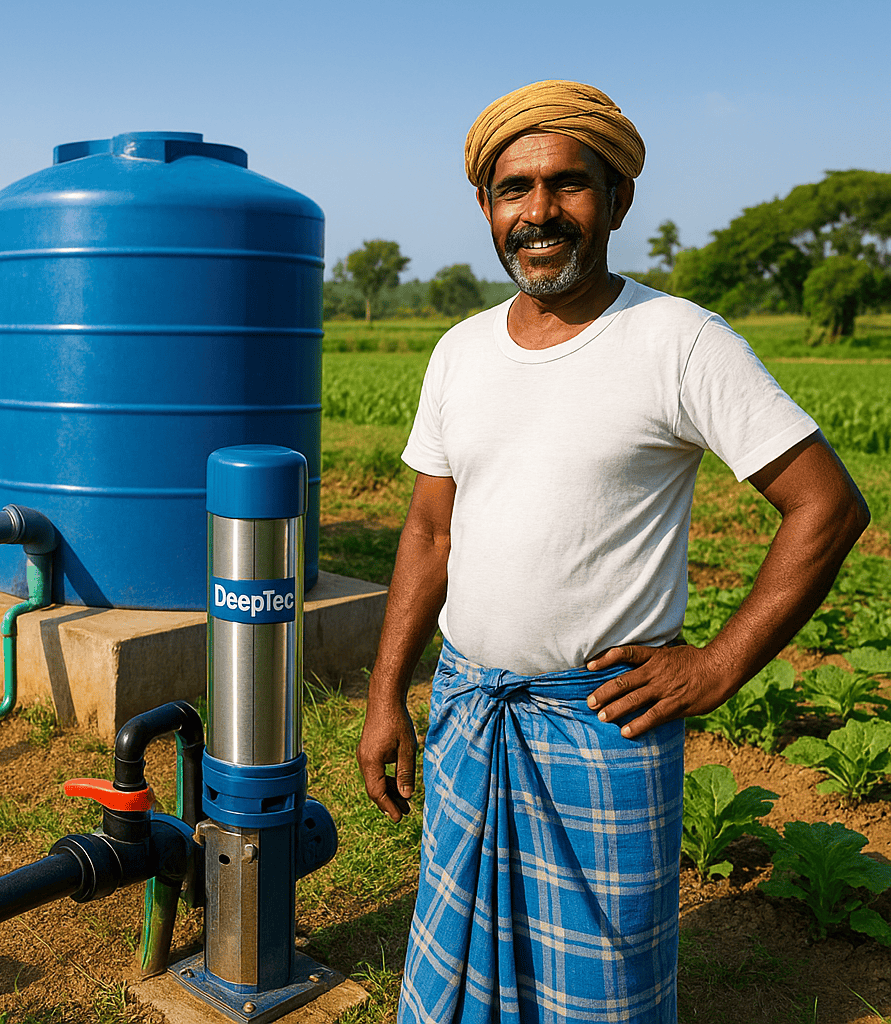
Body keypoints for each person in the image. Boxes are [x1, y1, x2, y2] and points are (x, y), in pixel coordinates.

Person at [356, 80, 871, 1024]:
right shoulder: (460, 352)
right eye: (515, 189)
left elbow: (827, 507)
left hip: (602, 724)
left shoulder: (678, 341)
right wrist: (389, 693)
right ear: (486, 206)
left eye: (569, 186)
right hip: (470, 709)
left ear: (617, 200)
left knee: (602, 992)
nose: (539, 213)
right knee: (460, 972)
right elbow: (430, 533)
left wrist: (718, 663)